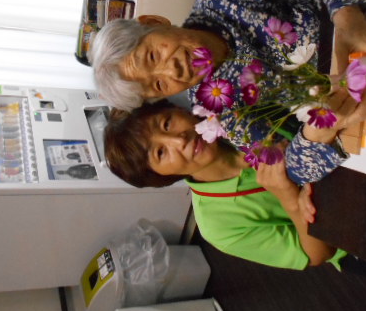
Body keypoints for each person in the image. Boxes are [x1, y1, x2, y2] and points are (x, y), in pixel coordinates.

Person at [90, 0, 366, 182]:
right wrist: (317, 128)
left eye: (151, 56)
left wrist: (345, 15)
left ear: (153, 22)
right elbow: (286, 167)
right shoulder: (215, 104)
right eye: (159, 85)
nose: (172, 71)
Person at [104, 99, 347, 270]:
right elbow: (319, 254)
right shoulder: (216, 226)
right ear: (162, 177)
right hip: (351, 229)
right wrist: (288, 197)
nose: (179, 140)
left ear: (178, 109)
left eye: (166, 123)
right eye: (160, 152)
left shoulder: (238, 114)